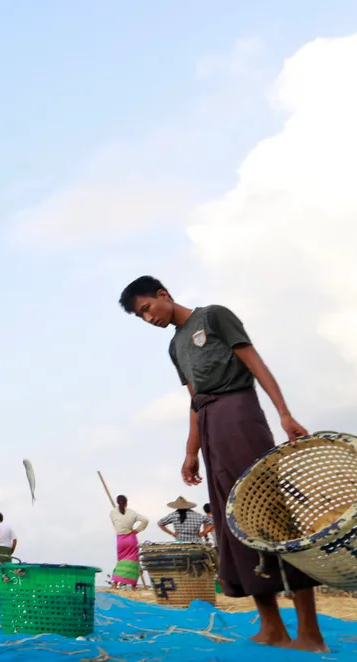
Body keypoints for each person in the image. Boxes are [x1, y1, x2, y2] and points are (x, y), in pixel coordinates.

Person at [119, 275, 327, 653]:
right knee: (233, 525)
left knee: (270, 516)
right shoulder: (174, 346)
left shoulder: (213, 317)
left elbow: (256, 363)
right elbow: (195, 399)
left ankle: (310, 635)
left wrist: (284, 414)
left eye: (147, 308)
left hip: (239, 413)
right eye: (140, 317)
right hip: (210, 426)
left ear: (163, 295)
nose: (148, 318)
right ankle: (272, 628)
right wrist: (191, 450)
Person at [110, 495, 148, 589]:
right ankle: (133, 587)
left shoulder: (113, 512)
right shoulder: (132, 513)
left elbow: (116, 524)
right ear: (126, 503)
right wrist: (138, 530)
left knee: (121, 562)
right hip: (131, 539)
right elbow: (145, 520)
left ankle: (115, 585)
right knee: (134, 562)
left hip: (120, 540)